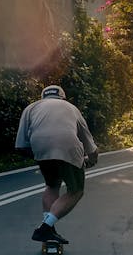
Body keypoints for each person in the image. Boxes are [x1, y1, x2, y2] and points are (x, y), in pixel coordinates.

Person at [15, 85, 99, 244]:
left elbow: (20, 146)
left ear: (43, 97)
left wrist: (41, 156)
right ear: (63, 97)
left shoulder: (31, 108)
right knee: (76, 190)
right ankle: (45, 228)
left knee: (52, 185)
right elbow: (89, 144)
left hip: (40, 148)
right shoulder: (71, 108)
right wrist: (91, 160)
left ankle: (49, 230)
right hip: (68, 146)